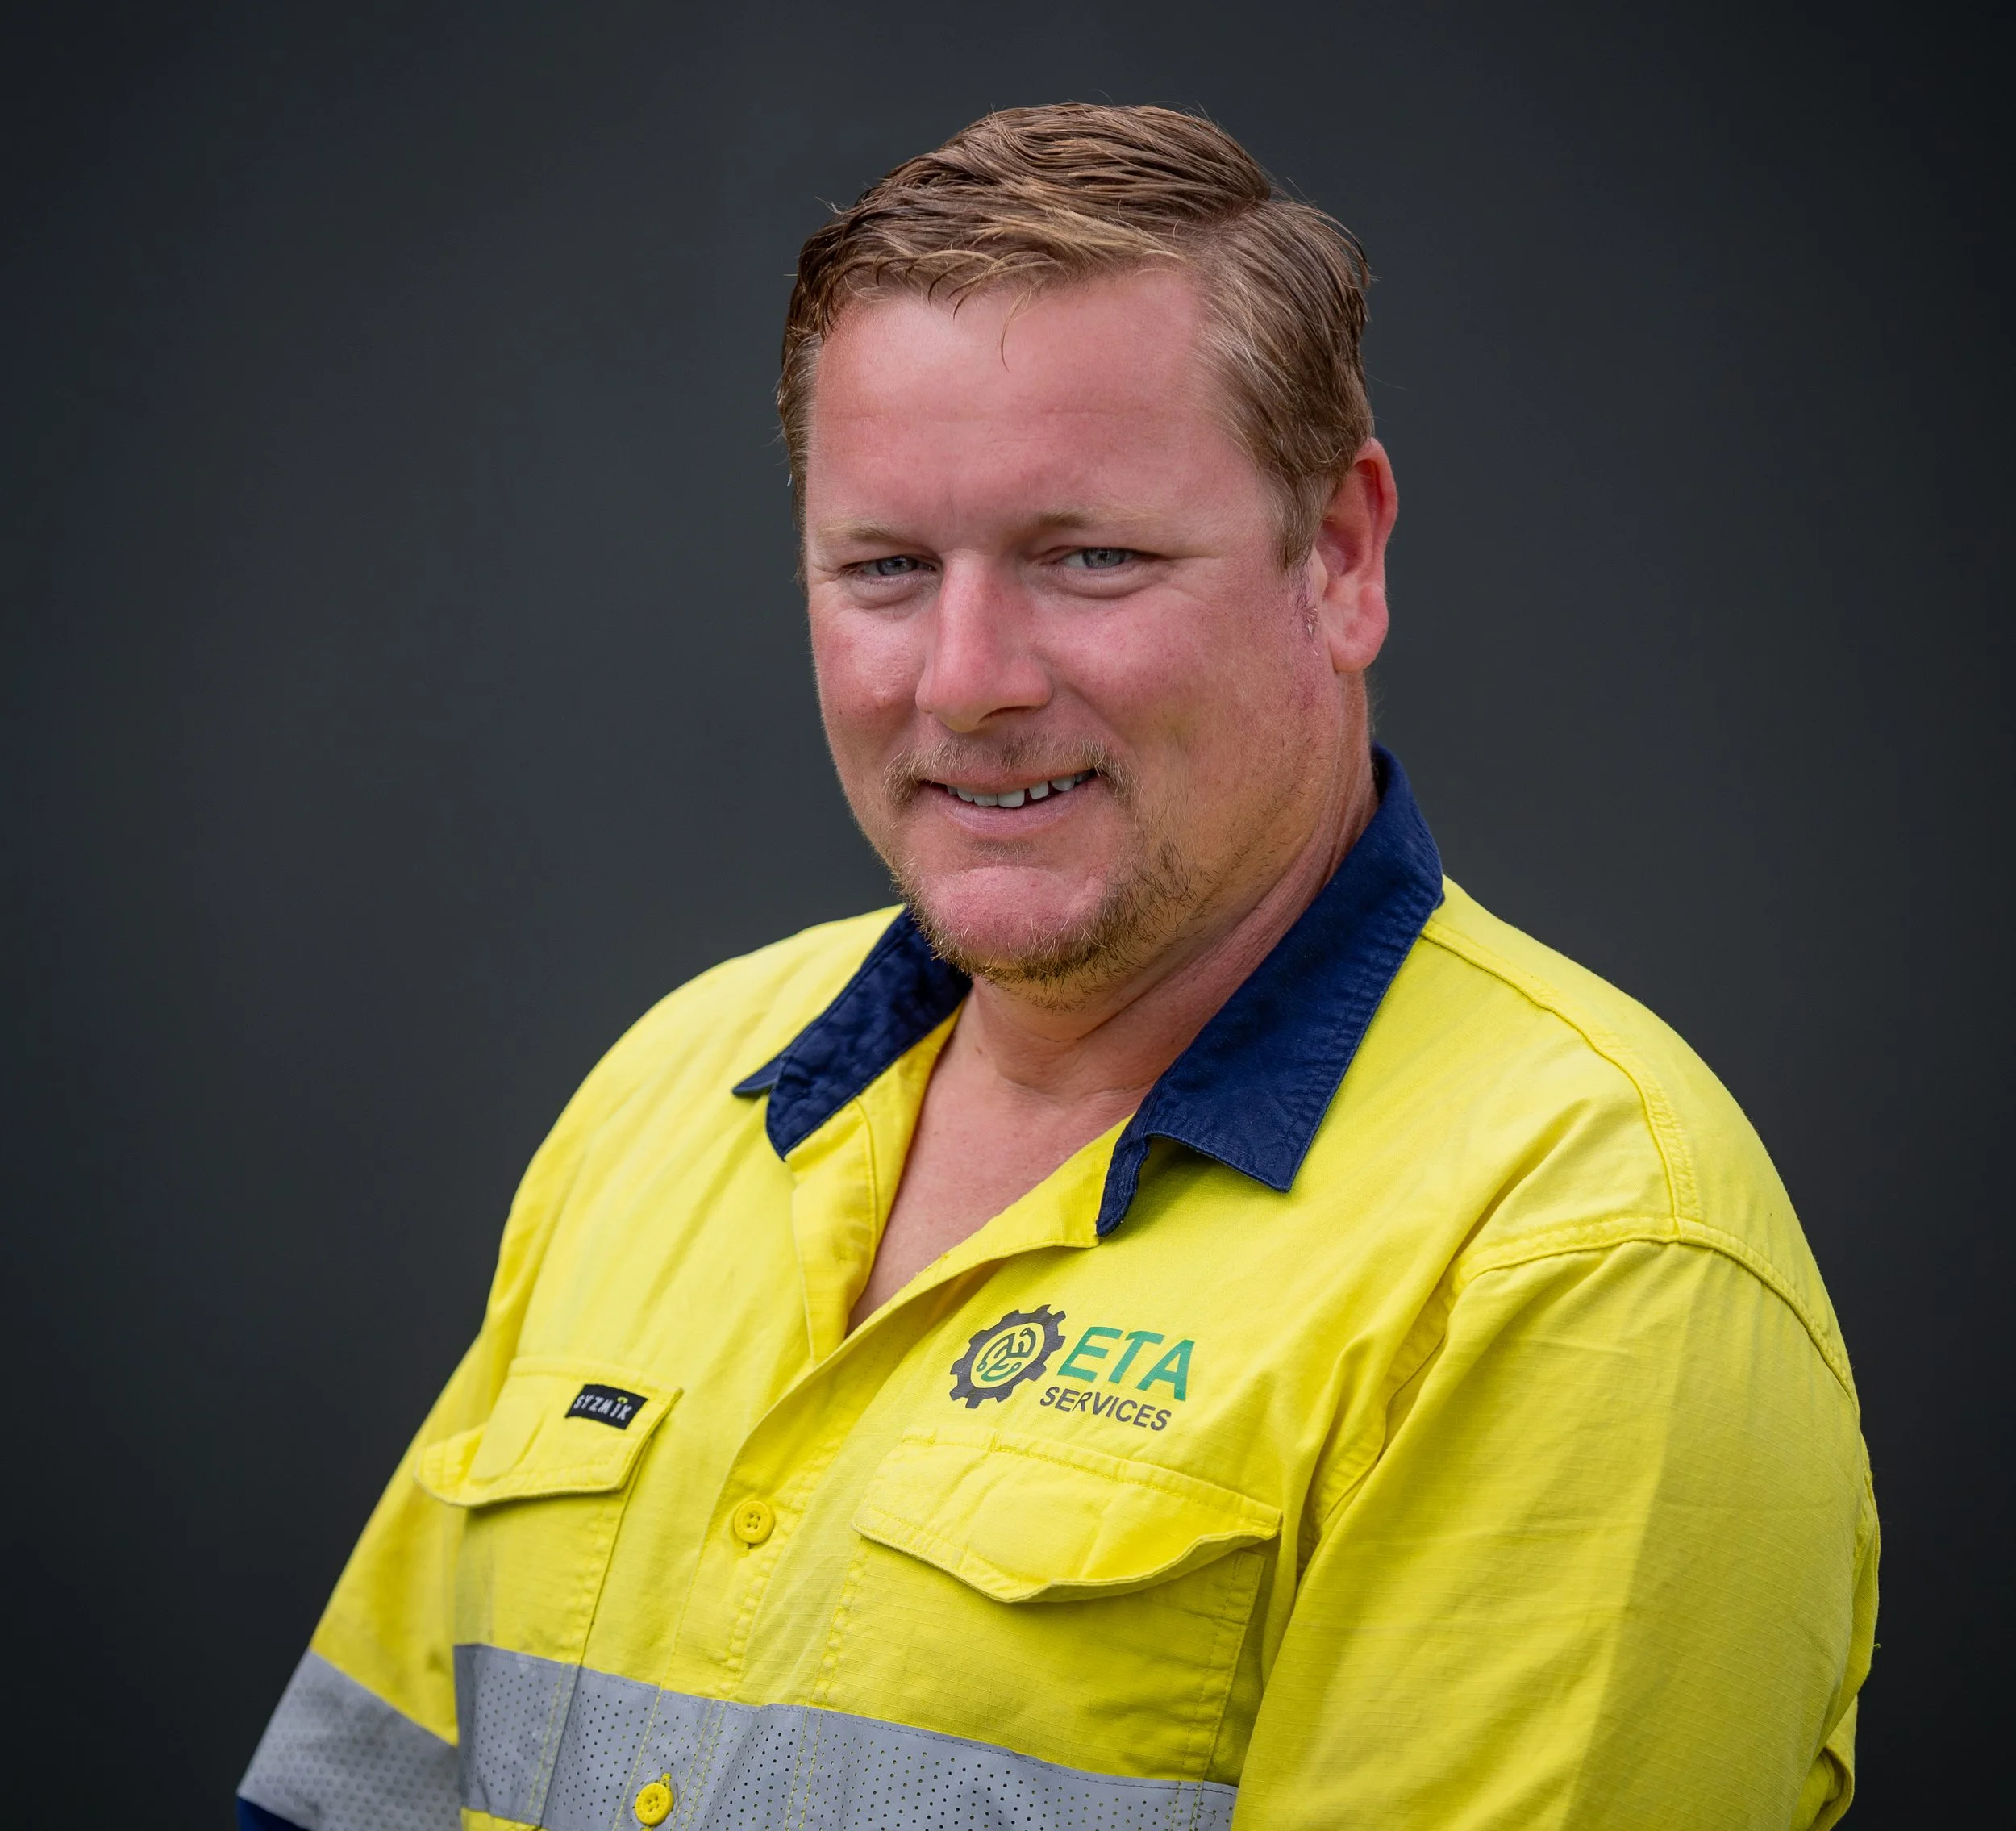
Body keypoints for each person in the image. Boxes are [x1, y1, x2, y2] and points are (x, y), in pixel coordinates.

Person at [238, 104, 1876, 1831]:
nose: (965, 681)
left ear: (1337, 556)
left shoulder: (1582, 1251)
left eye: (1087, 557)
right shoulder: (671, 1092)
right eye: (885, 569)